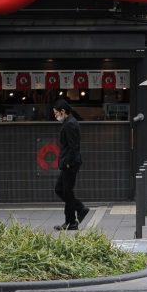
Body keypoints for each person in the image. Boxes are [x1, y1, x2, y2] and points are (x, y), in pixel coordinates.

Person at [53, 99, 90, 231]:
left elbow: (73, 147)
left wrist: (68, 163)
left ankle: (71, 222)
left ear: (63, 111)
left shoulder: (70, 124)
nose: (55, 116)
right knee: (61, 189)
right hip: (68, 163)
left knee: (66, 192)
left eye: (56, 113)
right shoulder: (70, 122)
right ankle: (79, 209)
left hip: (70, 164)